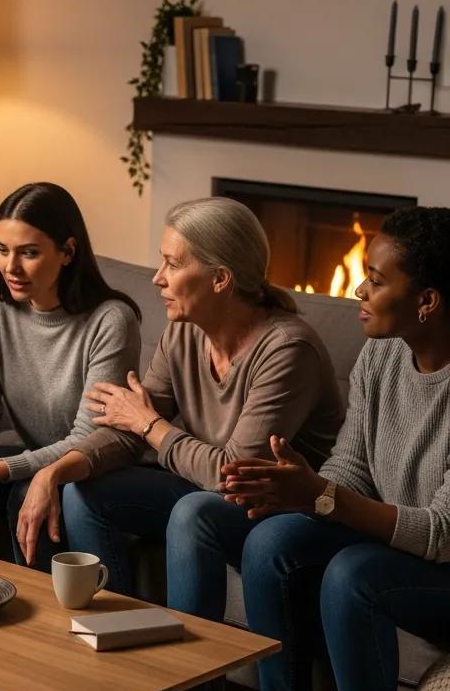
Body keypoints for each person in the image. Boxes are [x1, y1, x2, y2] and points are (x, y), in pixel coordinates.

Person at [208, 206, 450, 691]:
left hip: (444, 566)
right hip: (400, 542)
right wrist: (298, 492)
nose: (357, 291)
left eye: (375, 278)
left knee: (352, 575)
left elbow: (442, 534)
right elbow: (352, 467)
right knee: (271, 542)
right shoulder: (381, 357)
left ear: (426, 301)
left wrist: (324, 497)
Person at [61, 197, 344, 603]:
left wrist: (148, 424)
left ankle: (193, 666)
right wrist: (53, 472)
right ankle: (114, 638)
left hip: (279, 514)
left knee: (195, 511)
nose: (157, 278)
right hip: (204, 490)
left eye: (173, 265)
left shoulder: (287, 349)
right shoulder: (184, 330)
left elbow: (231, 474)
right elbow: (131, 429)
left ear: (221, 279)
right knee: (81, 489)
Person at [0, 181, 141, 571]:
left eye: (29, 253)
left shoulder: (111, 320)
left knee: (23, 488)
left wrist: (3, 468)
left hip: (92, 465)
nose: (11, 267)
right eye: (1, 250)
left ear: (68, 252)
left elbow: (87, 438)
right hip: (40, 454)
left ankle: (39, 623)